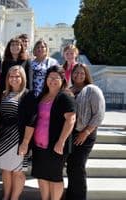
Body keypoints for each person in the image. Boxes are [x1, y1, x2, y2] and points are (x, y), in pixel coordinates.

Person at [19, 65, 76, 200]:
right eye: (50, 77)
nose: (53, 80)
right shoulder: (42, 96)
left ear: (63, 80)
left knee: (54, 177)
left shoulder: (65, 97)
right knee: (42, 175)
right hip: (39, 145)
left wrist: (61, 142)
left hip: (56, 145)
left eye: (56, 78)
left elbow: (71, 120)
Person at [65, 64, 105, 200]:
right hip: (71, 134)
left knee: (78, 166)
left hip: (86, 134)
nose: (78, 75)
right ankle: (71, 195)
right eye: (76, 72)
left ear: (86, 74)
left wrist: (86, 132)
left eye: (82, 73)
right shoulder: (69, 90)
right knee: (71, 167)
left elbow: (99, 114)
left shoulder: (92, 90)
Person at [0, 65, 32, 200]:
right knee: (6, 170)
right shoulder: (4, 94)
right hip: (3, 138)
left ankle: (14, 198)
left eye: (17, 76)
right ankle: (6, 196)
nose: (14, 79)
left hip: (18, 139)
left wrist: (25, 142)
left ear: (23, 78)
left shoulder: (28, 95)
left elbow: (31, 122)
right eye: (11, 76)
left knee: (18, 172)